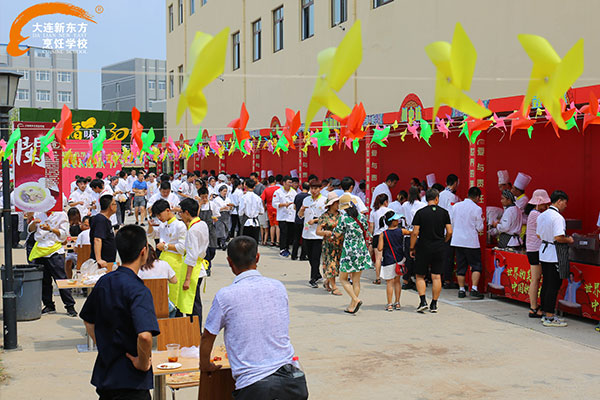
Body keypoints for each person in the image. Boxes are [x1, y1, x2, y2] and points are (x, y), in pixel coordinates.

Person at [200, 236, 308, 399]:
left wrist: (205, 365)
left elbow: (207, 337)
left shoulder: (225, 296)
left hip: (255, 386)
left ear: (229, 262)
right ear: (257, 257)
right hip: (293, 382)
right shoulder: (278, 287)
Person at [80, 224, 159, 400]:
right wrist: (142, 362)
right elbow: (145, 336)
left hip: (107, 374)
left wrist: (105, 345)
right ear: (143, 252)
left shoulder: (104, 281)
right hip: (131, 381)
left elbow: (88, 320)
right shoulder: (139, 290)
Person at [28, 209, 77, 317]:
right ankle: (49, 305)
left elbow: (64, 234)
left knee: (61, 279)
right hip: (40, 249)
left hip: (54, 250)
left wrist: (50, 229)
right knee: (44, 280)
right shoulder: (39, 212)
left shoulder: (61, 214)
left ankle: (70, 305)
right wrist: (34, 222)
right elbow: (31, 230)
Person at [410, 188, 452, 314]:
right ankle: (434, 303)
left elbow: (415, 232)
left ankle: (423, 301)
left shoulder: (420, 213)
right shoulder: (444, 213)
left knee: (420, 275)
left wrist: (412, 247)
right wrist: (444, 240)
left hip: (423, 246)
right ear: (437, 198)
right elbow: (449, 231)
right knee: (436, 276)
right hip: (439, 247)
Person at [537, 190, 573, 327]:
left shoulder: (543, 215)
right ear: (559, 201)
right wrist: (569, 240)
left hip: (544, 252)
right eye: (565, 202)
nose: (566, 205)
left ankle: (546, 313)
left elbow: (539, 235)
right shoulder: (557, 217)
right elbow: (559, 237)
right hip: (554, 254)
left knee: (546, 284)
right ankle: (550, 317)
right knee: (553, 285)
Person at [333, 194, 372, 314]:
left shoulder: (343, 218)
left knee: (343, 279)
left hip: (349, 251)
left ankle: (355, 299)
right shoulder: (361, 216)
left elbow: (338, 234)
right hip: (361, 250)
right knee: (356, 280)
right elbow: (367, 228)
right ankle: (352, 305)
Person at [151, 199, 187, 309]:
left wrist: (165, 246)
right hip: (163, 259)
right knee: (162, 292)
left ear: (168, 210)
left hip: (175, 261)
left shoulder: (179, 225)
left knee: (173, 293)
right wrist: (150, 226)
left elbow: (182, 248)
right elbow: (152, 235)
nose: (159, 218)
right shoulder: (163, 225)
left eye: (160, 215)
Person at [450, 187, 485, 299]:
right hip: (471, 241)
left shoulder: (456, 206)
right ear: (477, 197)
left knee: (461, 266)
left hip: (458, 240)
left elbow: (452, 222)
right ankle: (474, 288)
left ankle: (461, 290)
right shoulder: (477, 209)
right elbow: (480, 228)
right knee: (476, 265)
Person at [178, 198, 209, 320]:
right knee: (195, 301)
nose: (180, 215)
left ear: (186, 212)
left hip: (193, 269)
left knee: (191, 304)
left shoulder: (193, 230)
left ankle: (195, 331)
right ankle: (196, 330)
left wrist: (187, 279)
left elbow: (191, 255)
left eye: (181, 212)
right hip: (199, 265)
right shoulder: (202, 224)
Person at [525, 189, 551, 318]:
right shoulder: (537, 215)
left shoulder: (532, 213)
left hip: (531, 249)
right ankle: (534, 307)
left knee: (535, 279)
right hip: (536, 250)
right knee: (535, 279)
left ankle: (533, 307)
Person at [299, 181, 326, 288]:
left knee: (316, 256)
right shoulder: (306, 200)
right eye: (312, 188)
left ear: (320, 188)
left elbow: (326, 217)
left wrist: (315, 221)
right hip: (307, 232)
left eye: (316, 188)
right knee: (309, 256)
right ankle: (317, 274)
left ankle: (313, 278)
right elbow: (300, 215)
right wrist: (301, 210)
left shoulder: (324, 201)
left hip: (318, 233)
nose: (313, 191)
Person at [316, 193, 343, 296]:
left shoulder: (341, 215)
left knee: (337, 265)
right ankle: (334, 286)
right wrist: (325, 232)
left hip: (340, 243)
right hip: (329, 244)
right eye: (336, 203)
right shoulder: (324, 216)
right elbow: (318, 231)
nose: (338, 204)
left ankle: (327, 281)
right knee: (331, 264)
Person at [401, 187, 426, 290]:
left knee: (408, 258)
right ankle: (418, 280)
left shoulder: (405, 205)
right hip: (419, 233)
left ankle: (406, 280)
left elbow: (403, 220)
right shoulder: (422, 205)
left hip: (408, 233)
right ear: (419, 194)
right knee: (419, 258)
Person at [89, 195, 118, 270]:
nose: (116, 206)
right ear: (111, 206)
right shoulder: (100, 220)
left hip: (109, 261)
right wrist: (99, 259)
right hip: (103, 263)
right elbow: (97, 239)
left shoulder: (106, 220)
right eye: (115, 204)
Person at [369, 193, 391, 285]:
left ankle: (378, 278)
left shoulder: (374, 212)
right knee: (389, 257)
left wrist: (371, 236)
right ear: (386, 202)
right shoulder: (390, 211)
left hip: (377, 235)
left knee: (378, 258)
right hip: (388, 235)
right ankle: (389, 277)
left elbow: (371, 226)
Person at [273, 176, 297, 258]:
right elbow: (274, 204)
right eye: (289, 182)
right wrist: (283, 204)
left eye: (291, 182)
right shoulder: (278, 192)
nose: (290, 184)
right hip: (282, 216)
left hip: (291, 216)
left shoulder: (294, 192)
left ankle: (287, 248)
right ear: (284, 183)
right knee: (283, 232)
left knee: (290, 233)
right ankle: (282, 249)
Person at [197, 187, 220, 274]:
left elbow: (217, 215)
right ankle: (207, 267)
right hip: (201, 229)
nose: (204, 199)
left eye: (206, 197)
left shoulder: (212, 204)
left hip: (211, 228)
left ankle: (208, 262)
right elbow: (195, 216)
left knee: (212, 249)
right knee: (204, 249)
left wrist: (215, 218)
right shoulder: (197, 205)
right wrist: (199, 205)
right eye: (202, 197)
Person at [238, 179, 264, 243]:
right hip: (255, 223)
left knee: (245, 243)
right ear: (254, 187)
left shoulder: (243, 197)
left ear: (245, 186)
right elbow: (261, 211)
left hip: (246, 222)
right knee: (254, 243)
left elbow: (241, 212)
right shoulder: (258, 198)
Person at [292, 182, 310, 261]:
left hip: (297, 219)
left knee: (296, 238)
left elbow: (294, 207)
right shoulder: (309, 197)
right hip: (305, 221)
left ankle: (294, 255)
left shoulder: (297, 196)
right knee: (304, 239)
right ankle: (303, 256)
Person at [261, 176, 280, 246]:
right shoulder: (278, 189)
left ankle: (272, 241)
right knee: (277, 225)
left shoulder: (266, 190)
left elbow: (262, 199)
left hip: (269, 208)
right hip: (277, 208)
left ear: (268, 182)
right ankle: (277, 241)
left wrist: (264, 207)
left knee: (272, 225)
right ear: (275, 181)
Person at [213, 185, 233, 249]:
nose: (225, 193)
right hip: (219, 215)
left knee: (226, 229)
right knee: (220, 229)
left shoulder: (228, 199)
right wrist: (222, 208)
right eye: (224, 191)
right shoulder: (216, 199)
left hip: (226, 215)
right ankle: (222, 243)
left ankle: (222, 242)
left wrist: (230, 207)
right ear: (220, 191)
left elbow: (231, 208)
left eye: (226, 191)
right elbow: (215, 208)